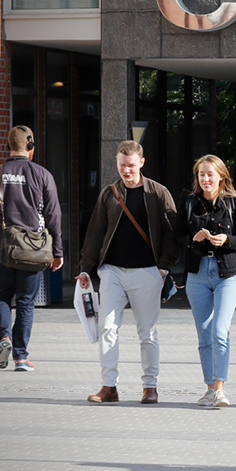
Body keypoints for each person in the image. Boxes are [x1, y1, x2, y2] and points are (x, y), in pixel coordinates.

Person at [77, 141, 179, 404]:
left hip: (148, 272)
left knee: (147, 333)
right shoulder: (109, 194)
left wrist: (164, 267)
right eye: (122, 165)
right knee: (107, 327)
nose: (126, 170)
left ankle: (150, 386)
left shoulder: (158, 193)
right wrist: (86, 268)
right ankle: (109, 386)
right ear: (117, 163)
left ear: (142, 163)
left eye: (131, 165)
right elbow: (95, 233)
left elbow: (172, 233)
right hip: (112, 271)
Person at [0, 126, 63, 371]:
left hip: (2, 249)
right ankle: (20, 357)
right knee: (25, 302)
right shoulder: (42, 175)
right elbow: (53, 214)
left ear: (8, 145)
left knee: (0, 297)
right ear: (31, 146)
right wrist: (58, 251)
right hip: (32, 251)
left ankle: (4, 338)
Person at [177, 155, 236, 408]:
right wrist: (192, 239)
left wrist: (227, 240)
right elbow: (177, 237)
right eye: (201, 174)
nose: (206, 179)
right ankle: (209, 388)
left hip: (227, 274)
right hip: (197, 274)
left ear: (221, 176)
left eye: (210, 174)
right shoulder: (189, 203)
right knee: (204, 335)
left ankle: (220, 389)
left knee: (220, 330)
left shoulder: (234, 203)